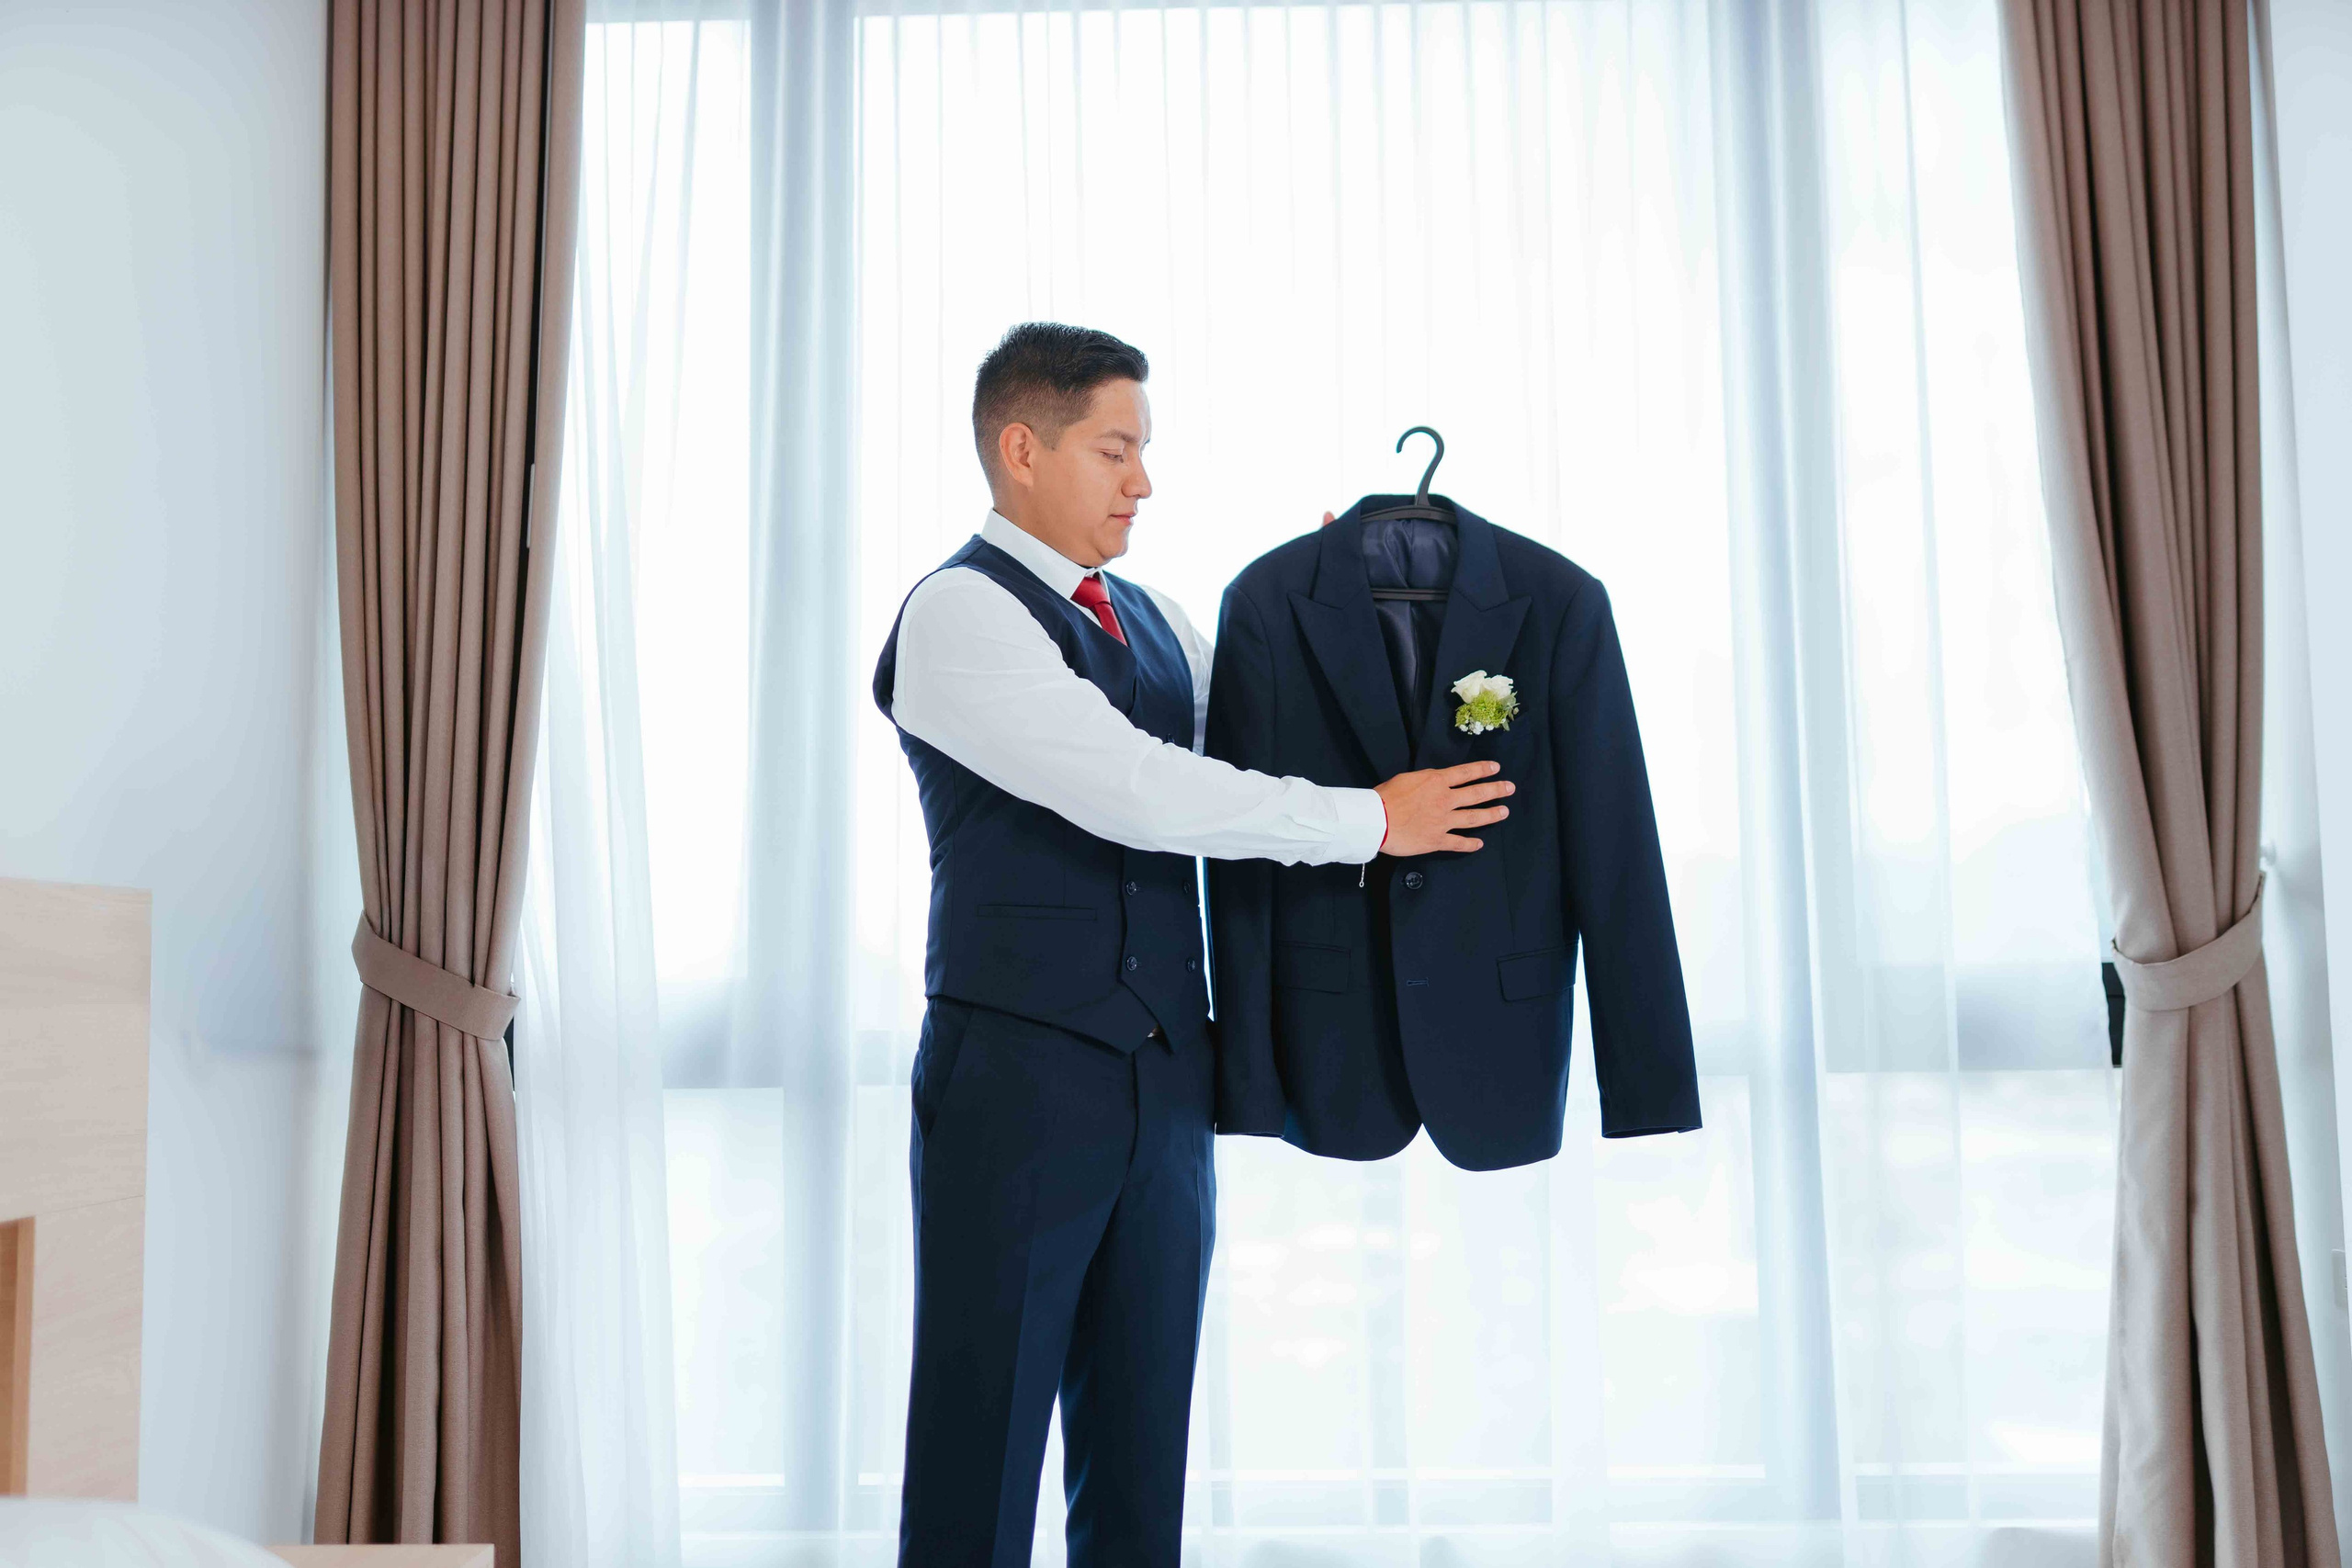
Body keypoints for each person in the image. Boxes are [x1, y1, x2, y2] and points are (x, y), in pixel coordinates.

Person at [868, 321, 1512, 1567]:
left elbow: (1266, 739)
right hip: (1018, 1085)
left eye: (1145, 451)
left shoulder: (1155, 616)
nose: (1143, 481)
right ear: (1021, 449)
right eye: (1117, 449)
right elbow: (1139, 789)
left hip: (1167, 1087)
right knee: (979, 1456)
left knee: (1141, 1453)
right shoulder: (958, 614)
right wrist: (1374, 823)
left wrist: (1343, 621)